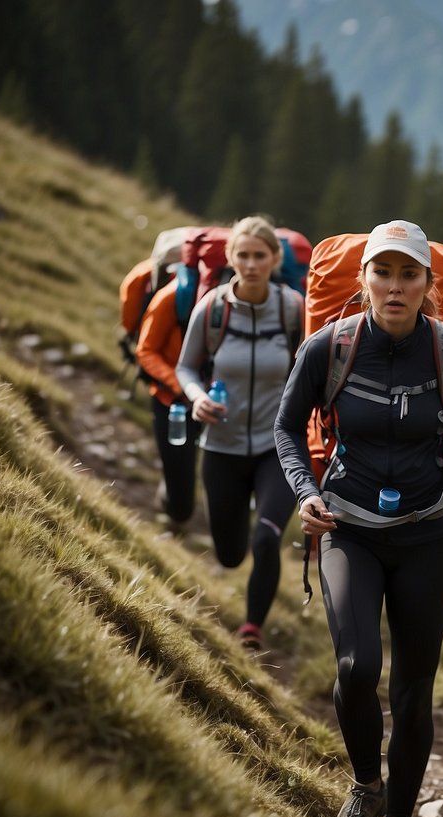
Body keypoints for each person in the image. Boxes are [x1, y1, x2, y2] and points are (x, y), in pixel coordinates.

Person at [273, 219, 443, 817]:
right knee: (356, 666)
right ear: (363, 278)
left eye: (408, 274)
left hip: (427, 535)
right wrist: (305, 490)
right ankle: (366, 785)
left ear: (427, 283)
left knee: (413, 691)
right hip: (350, 528)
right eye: (383, 272)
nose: (394, 286)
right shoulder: (329, 347)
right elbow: (287, 429)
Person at [175, 216, 303, 652]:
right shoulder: (211, 309)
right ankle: (240, 541)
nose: (251, 264)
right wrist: (195, 396)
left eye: (259, 256)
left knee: (267, 536)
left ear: (274, 259)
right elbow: (186, 366)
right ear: (231, 259)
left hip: (279, 448)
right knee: (230, 554)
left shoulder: (293, 310)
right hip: (222, 447)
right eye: (243, 255)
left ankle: (252, 629)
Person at [134, 266, 202, 536]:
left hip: (220, 404)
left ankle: (176, 506)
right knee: (181, 500)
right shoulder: (173, 296)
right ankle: (173, 508)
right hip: (173, 402)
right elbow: (146, 350)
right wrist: (182, 386)